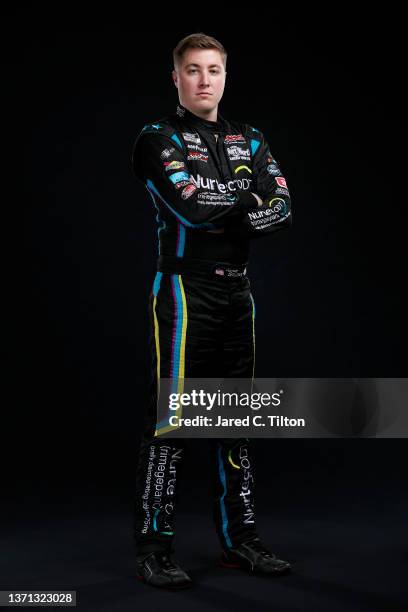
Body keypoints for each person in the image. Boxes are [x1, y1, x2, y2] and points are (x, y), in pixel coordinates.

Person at [131, 32, 292, 589]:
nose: (204, 80)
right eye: (193, 70)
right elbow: (192, 209)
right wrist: (247, 200)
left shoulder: (251, 136)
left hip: (237, 292)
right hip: (183, 290)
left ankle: (240, 543)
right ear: (175, 77)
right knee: (173, 422)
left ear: (226, 75)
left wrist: (243, 204)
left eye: (214, 69)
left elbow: (284, 207)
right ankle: (154, 549)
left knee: (235, 421)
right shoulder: (157, 137)